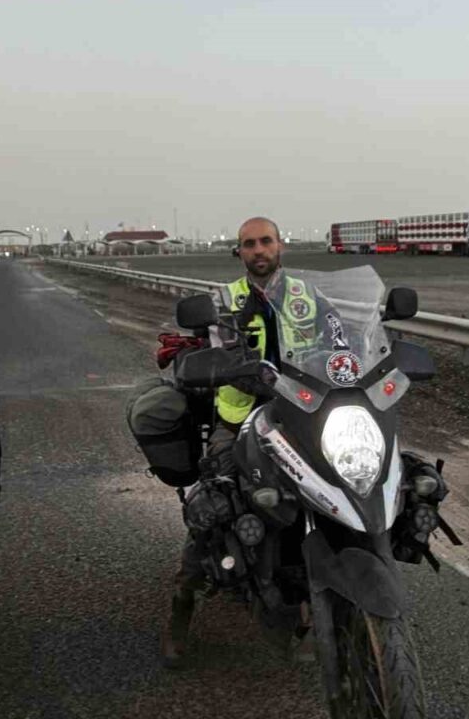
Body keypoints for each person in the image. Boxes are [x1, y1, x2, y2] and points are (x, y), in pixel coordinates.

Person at [162, 215, 316, 666]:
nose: (258, 250)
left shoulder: (310, 298)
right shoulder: (225, 301)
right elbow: (216, 351)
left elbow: (340, 347)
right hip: (239, 419)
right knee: (213, 506)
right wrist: (233, 368)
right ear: (240, 252)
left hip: (303, 417)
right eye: (249, 244)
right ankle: (181, 609)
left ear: (281, 246)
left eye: (266, 241)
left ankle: (320, 600)